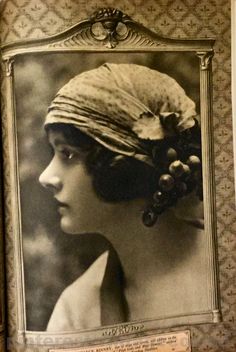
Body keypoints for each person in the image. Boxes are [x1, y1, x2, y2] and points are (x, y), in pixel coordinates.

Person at [39, 63, 206, 332]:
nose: (46, 177)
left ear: (122, 165)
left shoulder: (225, 266)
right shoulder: (76, 311)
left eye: (67, 153)